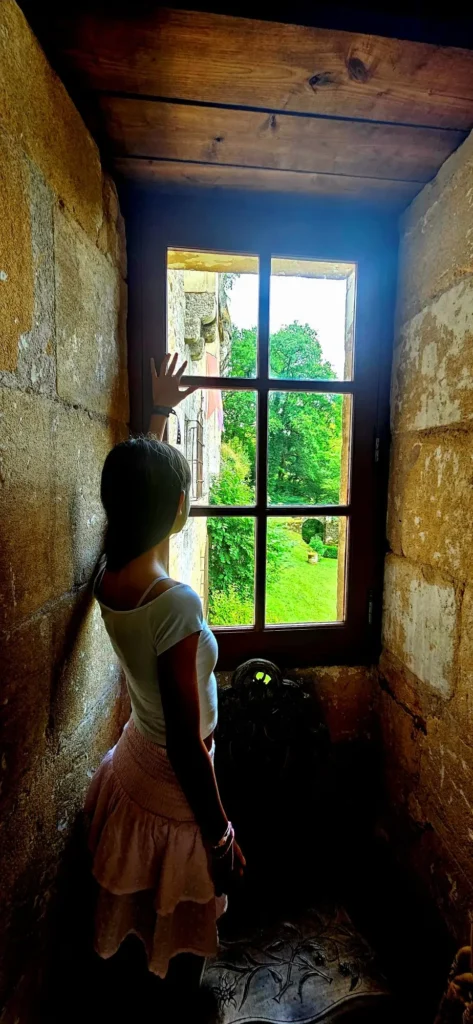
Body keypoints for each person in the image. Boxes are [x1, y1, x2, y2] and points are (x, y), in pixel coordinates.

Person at [84, 353, 245, 1001]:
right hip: (174, 776)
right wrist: (222, 834)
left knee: (138, 907)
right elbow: (186, 740)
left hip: (133, 759)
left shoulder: (110, 573)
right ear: (177, 509)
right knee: (179, 933)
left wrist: (156, 414)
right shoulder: (175, 603)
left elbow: (134, 496)